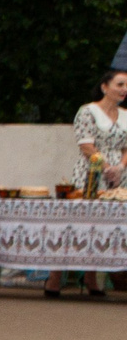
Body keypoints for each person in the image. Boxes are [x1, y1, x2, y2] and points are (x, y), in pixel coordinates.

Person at [57, 68, 127, 299]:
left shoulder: (126, 115)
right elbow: (86, 145)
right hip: (91, 174)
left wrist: (119, 168)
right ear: (105, 87)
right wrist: (105, 167)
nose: (124, 90)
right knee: (78, 223)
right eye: (120, 84)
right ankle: (56, 277)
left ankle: (91, 276)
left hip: (118, 177)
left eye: (126, 86)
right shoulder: (88, 111)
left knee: (104, 227)